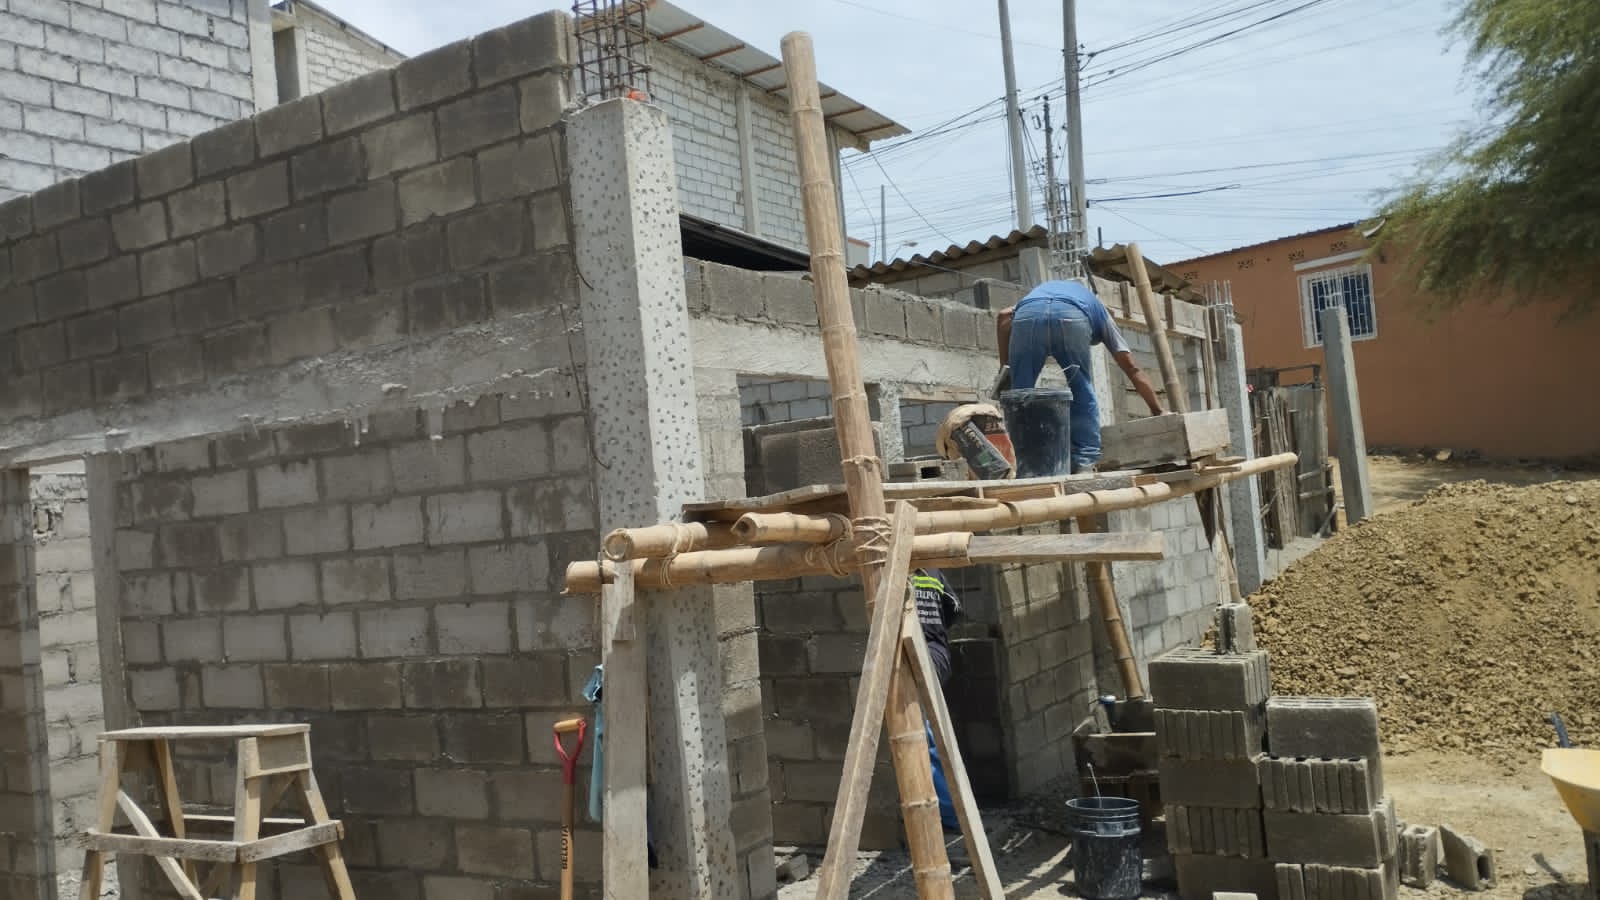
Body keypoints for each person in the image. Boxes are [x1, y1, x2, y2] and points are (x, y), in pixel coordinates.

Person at [996, 279, 1165, 472]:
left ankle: (1023, 463)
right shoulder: (1103, 316)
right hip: (1071, 316)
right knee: (1081, 386)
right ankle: (1085, 461)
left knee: (1020, 395)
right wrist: (1158, 410)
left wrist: (1006, 371)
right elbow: (1132, 367)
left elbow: (1003, 315)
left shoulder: (1049, 292)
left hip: (1027, 315)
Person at [912, 567, 962, 832]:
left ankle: (950, 813)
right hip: (938, 653)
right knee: (927, 730)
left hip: (925, 655)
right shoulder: (933, 571)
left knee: (925, 734)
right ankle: (951, 811)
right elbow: (954, 609)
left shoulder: (890, 571)